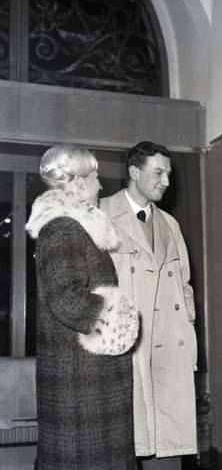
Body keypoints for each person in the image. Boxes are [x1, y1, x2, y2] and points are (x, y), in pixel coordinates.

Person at [26, 144, 139, 470]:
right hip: (82, 384)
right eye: (95, 177)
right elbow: (65, 298)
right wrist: (120, 320)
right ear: (77, 182)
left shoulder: (72, 227)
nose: (100, 185)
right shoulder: (63, 228)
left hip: (85, 378)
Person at [100, 141, 197, 469]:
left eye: (168, 174)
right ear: (134, 172)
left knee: (167, 451)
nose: (166, 182)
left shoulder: (170, 224)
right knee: (123, 448)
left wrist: (187, 322)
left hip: (168, 350)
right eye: (158, 173)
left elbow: (184, 284)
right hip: (127, 352)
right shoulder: (101, 214)